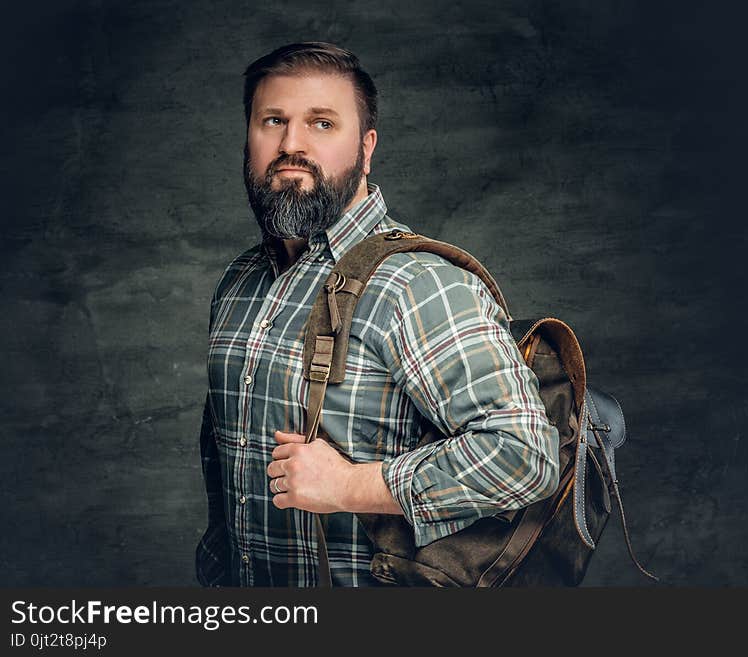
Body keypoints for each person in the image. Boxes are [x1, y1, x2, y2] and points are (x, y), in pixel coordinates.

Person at [195, 42, 560, 587]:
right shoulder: (239, 282)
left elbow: (524, 455)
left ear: (366, 149)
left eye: (321, 123)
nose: (291, 144)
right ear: (249, 136)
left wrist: (349, 486)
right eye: (273, 120)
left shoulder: (416, 284)